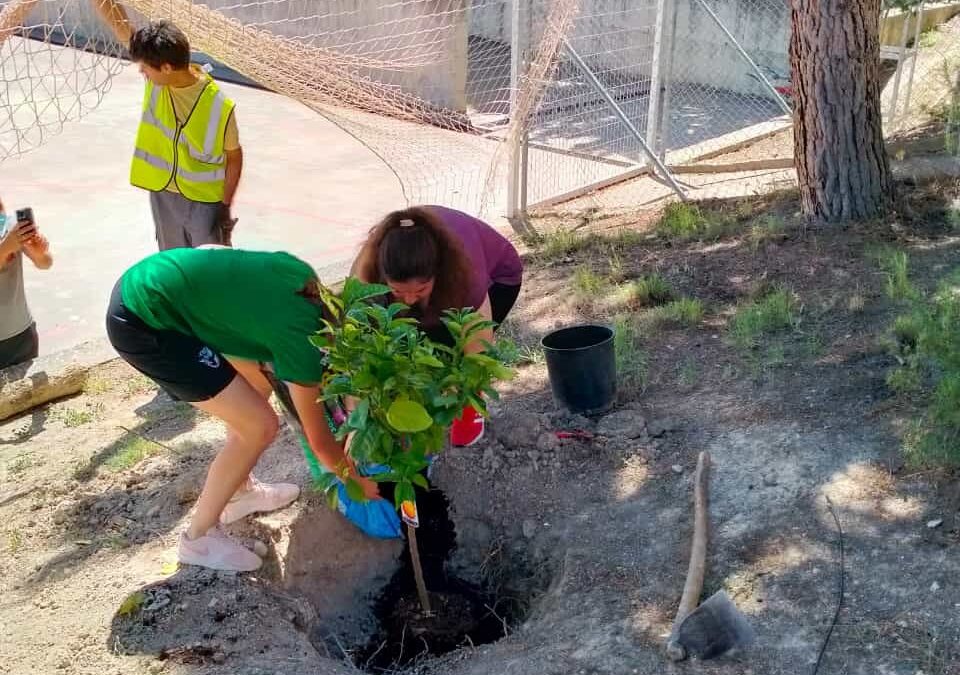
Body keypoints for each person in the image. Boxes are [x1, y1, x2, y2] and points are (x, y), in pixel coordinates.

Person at [105, 246, 380, 571]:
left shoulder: (305, 281)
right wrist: (358, 483)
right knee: (259, 427)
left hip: (161, 281)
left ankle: (240, 493)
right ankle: (198, 538)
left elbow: (217, 253)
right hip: (146, 322)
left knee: (255, 387)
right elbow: (321, 444)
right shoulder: (302, 346)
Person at [351, 205, 523, 447]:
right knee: (413, 346)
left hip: (500, 279)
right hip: (433, 283)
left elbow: (477, 351)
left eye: (420, 290)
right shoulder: (370, 267)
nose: (409, 299)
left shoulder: (465, 275)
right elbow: (359, 323)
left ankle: (465, 408)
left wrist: (467, 393)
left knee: (450, 351)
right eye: (398, 290)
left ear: (437, 274)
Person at [92, 3, 243, 250]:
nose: (142, 71)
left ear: (166, 67)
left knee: (207, 269)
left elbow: (234, 157)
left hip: (204, 202)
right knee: (171, 267)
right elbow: (121, 28)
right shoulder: (158, 81)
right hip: (163, 195)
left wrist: (224, 205)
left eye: (145, 68)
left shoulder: (219, 105)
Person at [0, 201, 53, 369]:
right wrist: (4, 249)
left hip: (22, 334)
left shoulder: (9, 226)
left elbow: (45, 263)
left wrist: (40, 252)